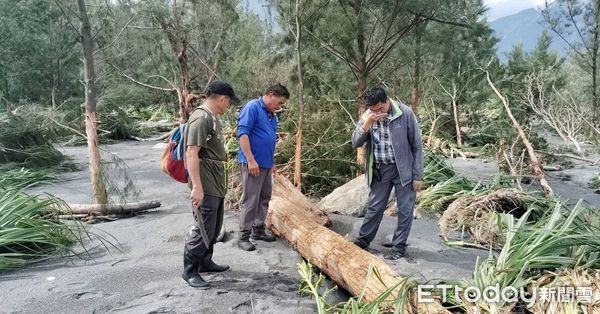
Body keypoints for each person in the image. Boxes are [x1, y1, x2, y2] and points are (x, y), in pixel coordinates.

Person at [351, 87, 424, 260]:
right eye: (373, 110)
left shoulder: (404, 113)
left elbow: (417, 145)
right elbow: (356, 142)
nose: (377, 112)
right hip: (380, 169)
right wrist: (367, 124)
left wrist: (417, 175)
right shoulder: (367, 116)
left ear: (387, 101)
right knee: (374, 207)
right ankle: (362, 241)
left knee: (405, 210)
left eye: (380, 109)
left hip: (403, 169)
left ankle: (399, 247)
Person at [183, 80, 240, 288]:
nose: (229, 106)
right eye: (229, 102)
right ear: (222, 98)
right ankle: (189, 270)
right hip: (205, 182)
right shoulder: (201, 118)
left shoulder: (212, 117)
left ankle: (205, 262)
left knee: (214, 225)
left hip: (216, 180)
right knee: (202, 227)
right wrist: (197, 187)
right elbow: (191, 153)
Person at [236, 83, 290, 251]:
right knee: (251, 200)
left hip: (265, 164)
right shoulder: (252, 107)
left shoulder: (271, 115)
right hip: (252, 164)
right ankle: (243, 236)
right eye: (279, 102)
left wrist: (272, 163)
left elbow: (269, 140)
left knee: (264, 197)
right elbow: (243, 134)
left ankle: (258, 230)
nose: (280, 107)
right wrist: (251, 160)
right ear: (271, 95)